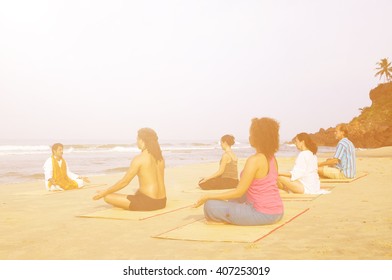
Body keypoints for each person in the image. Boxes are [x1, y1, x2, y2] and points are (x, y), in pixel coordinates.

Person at [194, 117, 284, 226]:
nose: (249, 137)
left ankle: (227, 216)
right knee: (235, 199)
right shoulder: (272, 159)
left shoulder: (254, 160)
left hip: (262, 214)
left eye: (251, 134)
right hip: (278, 212)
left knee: (210, 205)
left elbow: (239, 191)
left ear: (259, 137)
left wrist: (208, 196)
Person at [93, 128, 166, 211]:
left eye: (137, 139)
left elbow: (124, 182)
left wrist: (104, 192)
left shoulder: (139, 159)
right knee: (138, 191)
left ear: (142, 140)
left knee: (107, 197)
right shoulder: (160, 158)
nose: (136, 142)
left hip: (148, 203)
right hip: (162, 202)